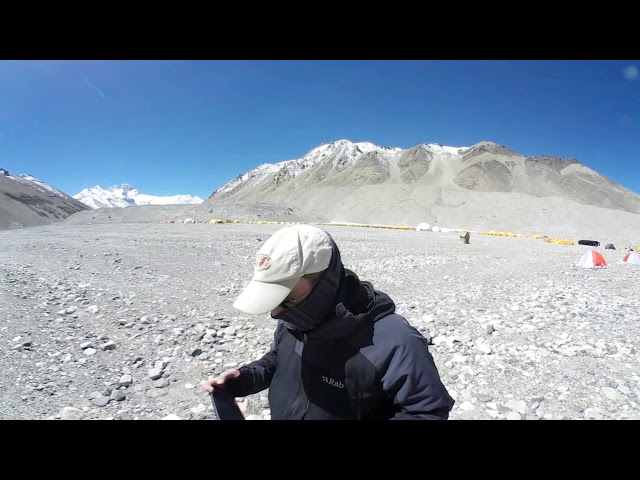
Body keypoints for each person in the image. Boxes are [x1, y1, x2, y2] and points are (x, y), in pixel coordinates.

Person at [201, 224, 455, 420]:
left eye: (285, 297)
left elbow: (427, 410)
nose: (276, 312)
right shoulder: (295, 317)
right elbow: (278, 359)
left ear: (324, 282)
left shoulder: (395, 340)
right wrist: (246, 378)